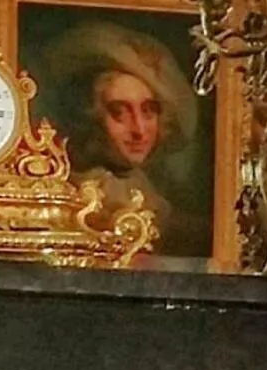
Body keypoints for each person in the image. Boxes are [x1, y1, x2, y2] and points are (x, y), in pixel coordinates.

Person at [32, 18, 211, 259]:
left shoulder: (142, 186)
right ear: (93, 118)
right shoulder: (77, 189)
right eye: (119, 112)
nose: (138, 130)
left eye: (148, 111)